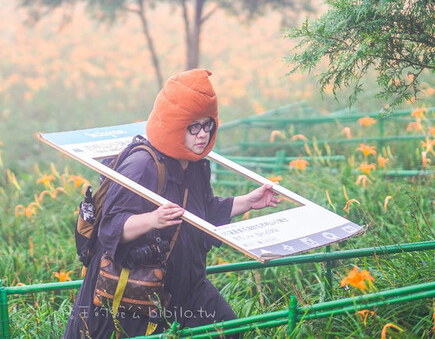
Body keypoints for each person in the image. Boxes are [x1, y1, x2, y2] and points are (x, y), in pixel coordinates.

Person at [63, 69, 280, 338]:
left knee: (229, 330)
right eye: (194, 127)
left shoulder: (196, 164)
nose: (203, 135)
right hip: (137, 287)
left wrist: (249, 201)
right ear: (176, 125)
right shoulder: (142, 165)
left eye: (208, 125)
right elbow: (111, 228)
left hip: (187, 285)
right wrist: (152, 220)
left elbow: (202, 214)